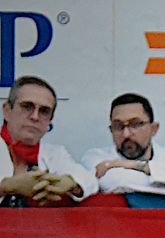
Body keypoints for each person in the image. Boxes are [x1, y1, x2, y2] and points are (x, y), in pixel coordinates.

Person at [80, 92, 165, 208]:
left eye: (135, 124)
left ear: (153, 129)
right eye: (118, 126)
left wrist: (127, 164)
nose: (126, 134)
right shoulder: (96, 157)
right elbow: (116, 181)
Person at [2, 76, 96, 207]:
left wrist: (70, 182)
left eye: (44, 111)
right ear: (7, 111)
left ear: (49, 121)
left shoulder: (55, 153)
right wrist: (7, 186)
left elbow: (89, 180)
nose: (35, 116)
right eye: (27, 106)